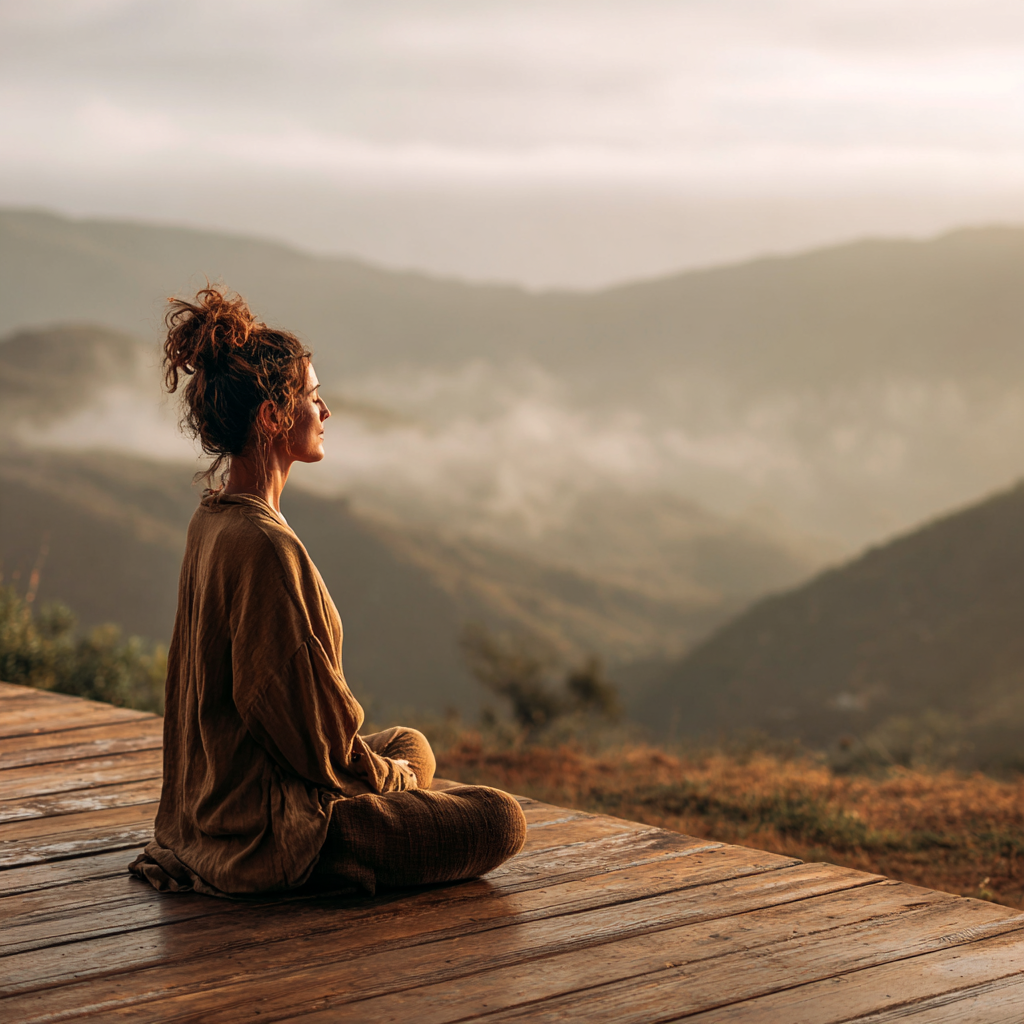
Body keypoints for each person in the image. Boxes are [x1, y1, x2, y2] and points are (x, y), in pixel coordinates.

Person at [129, 287, 526, 897]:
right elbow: (316, 744)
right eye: (314, 398)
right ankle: (341, 856)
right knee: (500, 818)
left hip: (212, 803)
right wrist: (390, 784)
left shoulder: (213, 519)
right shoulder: (266, 548)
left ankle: (383, 804)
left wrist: (392, 774)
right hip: (270, 835)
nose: (326, 411)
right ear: (272, 419)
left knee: (410, 745)